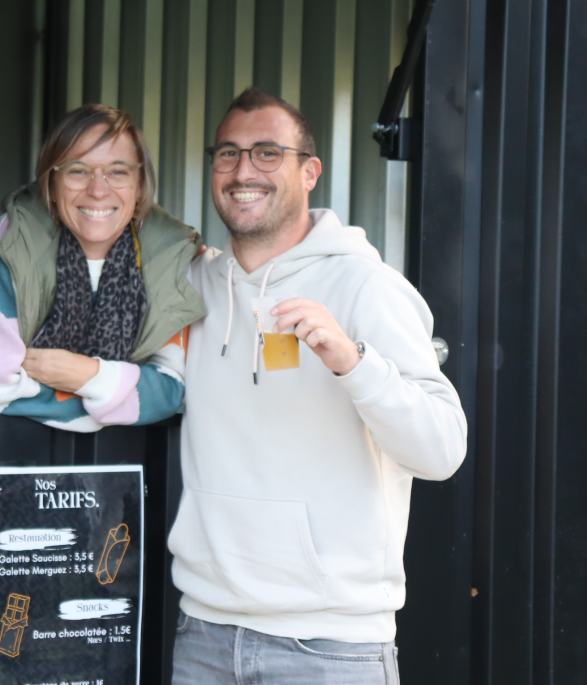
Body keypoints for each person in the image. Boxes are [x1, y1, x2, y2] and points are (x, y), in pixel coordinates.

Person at [168, 87, 468, 683]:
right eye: (228, 154)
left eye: (267, 153)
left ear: (310, 172)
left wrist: (353, 362)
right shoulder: (194, 286)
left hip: (331, 648)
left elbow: (442, 450)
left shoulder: (366, 287)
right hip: (204, 635)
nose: (243, 171)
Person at [0, 104, 205, 432]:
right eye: (78, 170)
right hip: (20, 454)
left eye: (118, 172)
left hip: (130, 459)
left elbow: (172, 390)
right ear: (52, 183)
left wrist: (86, 374)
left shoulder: (171, 257)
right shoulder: (12, 245)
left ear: (139, 186)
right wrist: (123, 398)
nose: (97, 190)